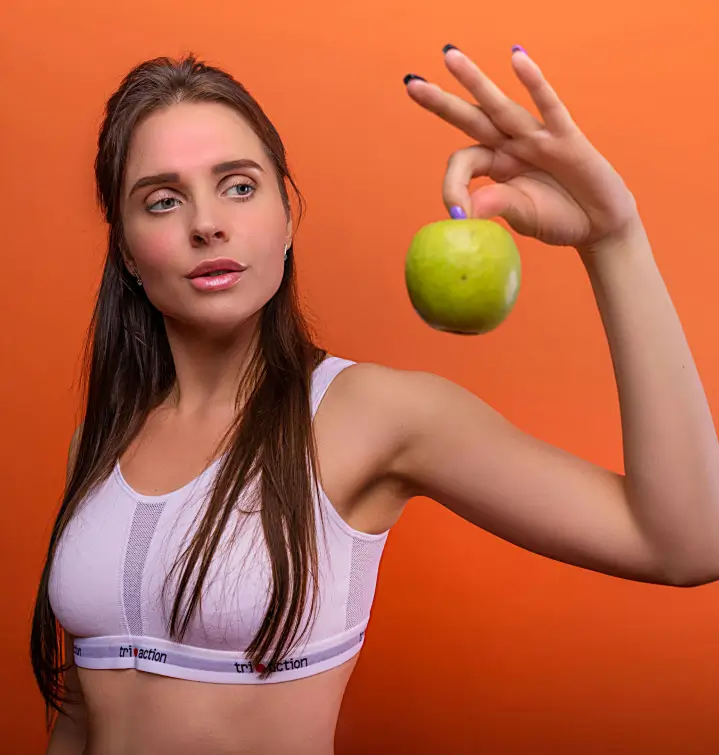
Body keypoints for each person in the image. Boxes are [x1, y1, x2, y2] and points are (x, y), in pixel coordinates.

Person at [32, 43, 719, 755]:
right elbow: (81, 719)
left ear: (286, 216)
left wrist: (614, 235)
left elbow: (687, 541)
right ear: (126, 252)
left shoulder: (369, 415)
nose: (207, 223)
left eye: (238, 186)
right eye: (163, 199)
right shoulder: (102, 439)